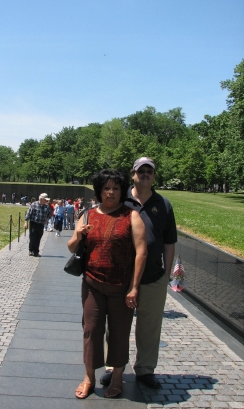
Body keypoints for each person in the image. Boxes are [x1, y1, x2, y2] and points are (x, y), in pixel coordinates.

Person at [67, 169, 147, 399]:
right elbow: (71, 247)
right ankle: (89, 377)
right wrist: (78, 235)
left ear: (122, 191)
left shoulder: (131, 216)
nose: (110, 192)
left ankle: (118, 376)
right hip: (92, 283)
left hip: (121, 286)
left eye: (115, 188)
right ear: (99, 191)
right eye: (106, 188)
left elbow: (141, 252)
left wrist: (134, 287)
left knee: (120, 333)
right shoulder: (88, 215)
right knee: (91, 330)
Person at [100, 157, 177, 390]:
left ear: (154, 176)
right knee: (115, 325)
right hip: (120, 276)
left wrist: (166, 274)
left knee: (149, 327)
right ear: (133, 174)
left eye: (149, 172)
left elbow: (169, 242)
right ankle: (113, 367)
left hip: (153, 276)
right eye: (140, 171)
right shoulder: (121, 200)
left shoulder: (163, 205)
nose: (145, 175)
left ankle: (144, 369)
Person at [24, 193, 50, 257]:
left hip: (41, 224)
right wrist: (26, 222)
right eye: (45, 200)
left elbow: (49, 215)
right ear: (41, 199)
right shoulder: (34, 204)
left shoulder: (46, 206)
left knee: (38, 238)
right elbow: (28, 214)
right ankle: (30, 250)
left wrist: (46, 220)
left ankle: (36, 252)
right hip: (33, 223)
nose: (46, 201)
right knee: (32, 238)